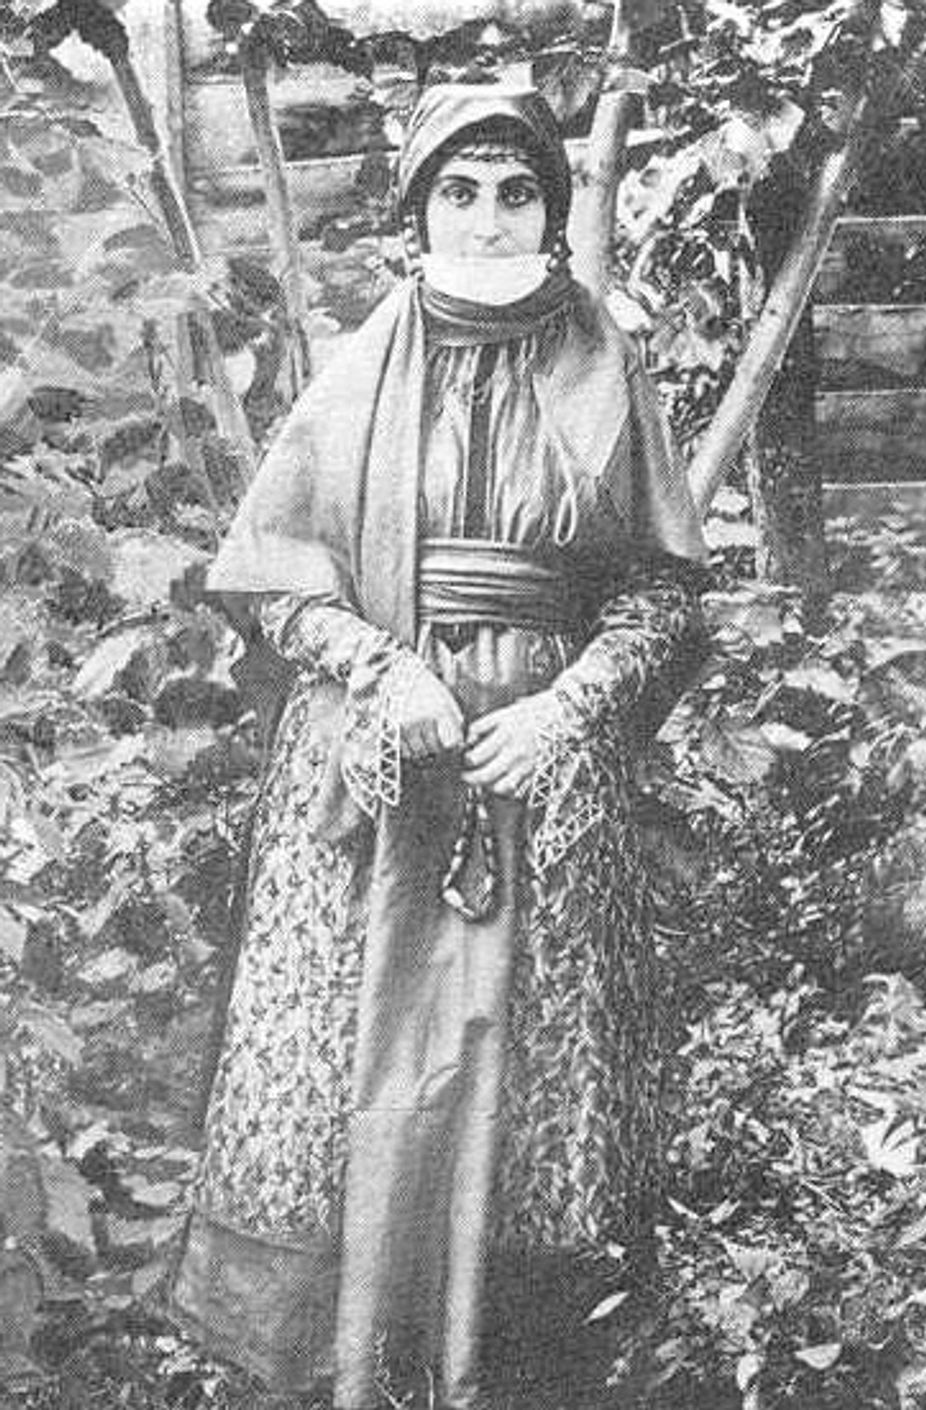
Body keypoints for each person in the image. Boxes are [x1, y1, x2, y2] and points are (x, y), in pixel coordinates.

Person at [169, 81, 708, 1410]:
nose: (487, 219)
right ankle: (345, 1348)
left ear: (551, 211)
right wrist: (381, 666)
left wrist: (568, 710)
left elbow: (664, 590)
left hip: (541, 756)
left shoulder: (606, 368)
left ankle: (509, 1358)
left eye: (516, 192)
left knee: (525, 1057)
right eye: (458, 193)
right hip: (381, 754)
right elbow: (274, 575)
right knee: (359, 1044)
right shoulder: (365, 369)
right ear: (419, 214)